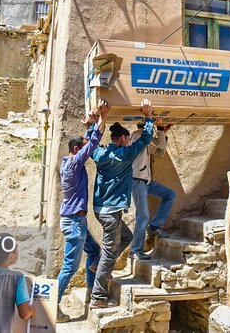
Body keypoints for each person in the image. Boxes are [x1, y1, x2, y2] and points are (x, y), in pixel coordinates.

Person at [90, 99, 154, 308]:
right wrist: (148, 116)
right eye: (128, 138)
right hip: (111, 212)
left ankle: (96, 265)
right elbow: (145, 138)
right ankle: (99, 297)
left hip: (101, 210)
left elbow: (91, 141)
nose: (129, 141)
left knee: (125, 237)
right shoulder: (125, 154)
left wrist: (95, 121)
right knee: (109, 255)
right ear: (124, 139)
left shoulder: (99, 153)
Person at [55, 100, 110, 322]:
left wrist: (89, 123)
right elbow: (92, 143)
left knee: (95, 252)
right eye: (82, 149)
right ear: (76, 150)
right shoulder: (76, 163)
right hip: (75, 224)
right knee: (69, 268)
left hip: (73, 221)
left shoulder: (66, 163)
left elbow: (86, 142)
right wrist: (103, 118)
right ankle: (52, 306)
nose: (85, 152)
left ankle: (90, 292)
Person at [129, 118, 175, 260]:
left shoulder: (145, 139)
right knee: (142, 215)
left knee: (169, 195)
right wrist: (160, 129)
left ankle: (155, 225)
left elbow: (160, 152)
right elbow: (159, 144)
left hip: (146, 181)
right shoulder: (138, 135)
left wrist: (163, 133)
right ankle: (135, 251)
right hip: (138, 180)